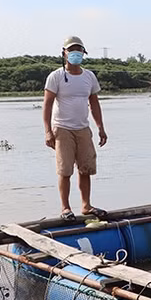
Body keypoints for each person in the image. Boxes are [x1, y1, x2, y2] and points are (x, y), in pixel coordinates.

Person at [43, 36, 108, 221]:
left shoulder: (89, 76)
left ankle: (86, 205)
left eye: (78, 50)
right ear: (64, 53)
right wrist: (48, 131)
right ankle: (65, 208)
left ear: (83, 53)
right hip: (62, 128)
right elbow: (47, 105)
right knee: (65, 170)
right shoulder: (56, 76)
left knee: (86, 168)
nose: (75, 53)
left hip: (83, 128)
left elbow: (94, 103)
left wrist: (101, 127)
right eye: (71, 50)